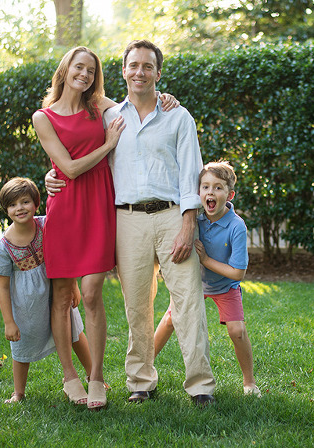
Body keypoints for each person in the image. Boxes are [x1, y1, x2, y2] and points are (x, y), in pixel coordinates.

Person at [46, 40, 216, 406]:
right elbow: (79, 152)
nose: (140, 72)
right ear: (123, 71)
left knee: (188, 301)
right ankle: (141, 381)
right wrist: (52, 174)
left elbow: (192, 172)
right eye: (133, 65)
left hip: (173, 216)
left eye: (147, 66)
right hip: (126, 219)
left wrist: (189, 223)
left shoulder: (178, 116)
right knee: (136, 305)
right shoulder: (107, 116)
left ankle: (200, 385)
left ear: (158, 73)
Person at [154, 161, 260, 397]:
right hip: (195, 284)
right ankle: (145, 369)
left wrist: (206, 260)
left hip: (225, 286)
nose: (210, 192)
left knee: (237, 331)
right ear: (198, 192)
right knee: (170, 320)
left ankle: (249, 382)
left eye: (218, 187)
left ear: (230, 195)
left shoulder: (236, 226)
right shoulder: (194, 219)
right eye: (205, 187)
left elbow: (238, 273)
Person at [0, 177, 92, 404]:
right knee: (22, 346)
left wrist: (73, 285)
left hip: (56, 290)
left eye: (25, 202)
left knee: (75, 331)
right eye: (12, 205)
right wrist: (9, 322)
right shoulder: (3, 248)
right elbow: (2, 288)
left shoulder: (46, 225)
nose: (19, 208)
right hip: (28, 304)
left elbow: (65, 255)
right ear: (6, 210)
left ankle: (93, 376)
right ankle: (18, 392)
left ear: (36, 203)